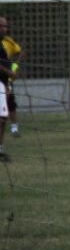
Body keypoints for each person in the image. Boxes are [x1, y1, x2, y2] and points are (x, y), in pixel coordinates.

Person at [0, 16, 20, 162]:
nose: (5, 29)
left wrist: (7, 82)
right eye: (2, 26)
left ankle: (0, 150)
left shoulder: (5, 42)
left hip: (2, 83)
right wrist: (10, 73)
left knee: (3, 118)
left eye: (6, 26)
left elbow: (19, 53)